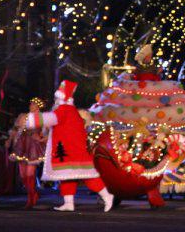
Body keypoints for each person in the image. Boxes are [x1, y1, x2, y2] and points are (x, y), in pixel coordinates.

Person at [22, 80, 114, 212]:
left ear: (62, 98)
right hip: (70, 149)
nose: (55, 100)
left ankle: (107, 196)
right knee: (66, 177)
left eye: (57, 98)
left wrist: (32, 119)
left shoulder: (64, 110)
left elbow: (51, 118)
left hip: (71, 150)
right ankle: (68, 203)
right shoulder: (71, 110)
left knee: (87, 176)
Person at [7, 97, 47, 209]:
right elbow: (15, 130)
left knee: (30, 174)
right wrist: (9, 140)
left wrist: (42, 138)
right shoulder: (23, 116)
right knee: (23, 175)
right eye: (31, 104)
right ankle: (33, 193)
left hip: (33, 147)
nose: (31, 106)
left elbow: (46, 132)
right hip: (22, 146)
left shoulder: (42, 118)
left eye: (33, 104)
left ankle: (30, 199)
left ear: (38, 106)